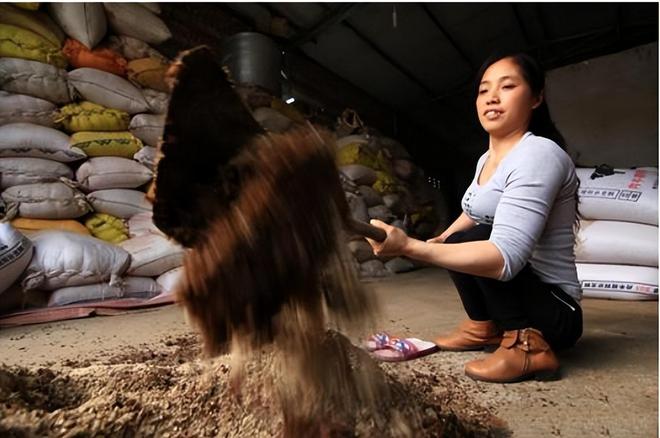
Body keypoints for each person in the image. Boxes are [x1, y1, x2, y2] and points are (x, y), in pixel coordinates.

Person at [366, 52, 583, 384]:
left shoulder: (539, 153)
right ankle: (484, 325)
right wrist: (438, 241)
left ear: (536, 98)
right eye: (483, 90)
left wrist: (411, 247)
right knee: (456, 240)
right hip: (526, 296)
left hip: (555, 314)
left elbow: (505, 258)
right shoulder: (487, 158)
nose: (492, 97)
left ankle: (527, 346)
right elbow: (473, 210)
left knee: (477, 240)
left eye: (507, 86)